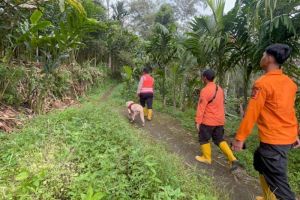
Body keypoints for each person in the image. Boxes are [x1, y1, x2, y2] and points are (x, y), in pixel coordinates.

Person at [232, 44, 300, 200]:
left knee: (282, 189)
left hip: (274, 140)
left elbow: (251, 114)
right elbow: (289, 111)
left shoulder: (263, 84)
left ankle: (275, 196)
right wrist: (295, 133)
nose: (261, 57)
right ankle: (268, 196)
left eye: (263, 54)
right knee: (259, 162)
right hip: (285, 138)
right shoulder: (290, 83)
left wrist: (239, 139)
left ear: (269, 58)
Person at [195, 69, 239, 171]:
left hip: (209, 120)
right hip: (220, 120)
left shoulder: (205, 90)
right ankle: (233, 158)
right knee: (219, 139)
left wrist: (198, 121)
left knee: (203, 138)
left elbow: (201, 107)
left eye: (202, 77)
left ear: (204, 78)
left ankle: (206, 158)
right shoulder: (220, 89)